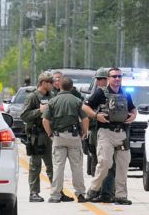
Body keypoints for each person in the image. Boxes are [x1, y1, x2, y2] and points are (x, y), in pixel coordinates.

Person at [83, 67, 137, 205]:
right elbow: (85, 107)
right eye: (114, 76)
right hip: (105, 132)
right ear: (108, 78)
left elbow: (132, 108)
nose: (117, 79)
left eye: (119, 76)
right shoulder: (100, 93)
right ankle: (93, 190)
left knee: (123, 166)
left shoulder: (126, 93)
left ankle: (121, 196)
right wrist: (96, 116)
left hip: (122, 133)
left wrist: (133, 116)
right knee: (105, 162)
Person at [42, 76, 88, 203]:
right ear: (72, 87)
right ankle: (80, 194)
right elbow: (85, 118)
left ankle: (55, 195)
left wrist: (50, 134)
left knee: (58, 167)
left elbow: (45, 120)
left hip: (58, 137)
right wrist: (84, 132)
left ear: (60, 86)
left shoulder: (53, 101)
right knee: (77, 167)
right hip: (74, 138)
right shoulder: (77, 100)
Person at [20, 73, 64, 202]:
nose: (52, 84)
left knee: (53, 165)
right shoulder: (33, 97)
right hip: (36, 135)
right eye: (50, 82)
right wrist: (39, 110)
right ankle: (34, 193)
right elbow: (24, 115)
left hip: (49, 134)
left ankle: (57, 191)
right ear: (43, 83)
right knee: (35, 165)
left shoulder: (52, 96)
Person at [83, 68, 116, 203]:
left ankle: (104, 192)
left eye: (99, 79)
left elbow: (86, 110)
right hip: (109, 132)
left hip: (100, 132)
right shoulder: (117, 93)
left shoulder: (100, 93)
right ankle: (107, 191)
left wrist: (94, 117)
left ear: (105, 79)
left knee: (102, 163)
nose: (97, 82)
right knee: (106, 163)